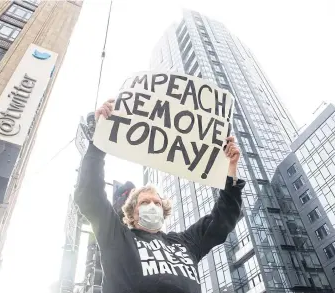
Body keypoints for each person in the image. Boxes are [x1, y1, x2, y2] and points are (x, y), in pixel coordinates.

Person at [74, 99, 246, 293]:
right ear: (132, 213)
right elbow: (90, 195)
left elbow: (221, 220)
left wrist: (230, 169)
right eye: (145, 202)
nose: (153, 206)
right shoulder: (118, 237)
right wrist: (100, 140)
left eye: (157, 202)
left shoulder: (183, 242)